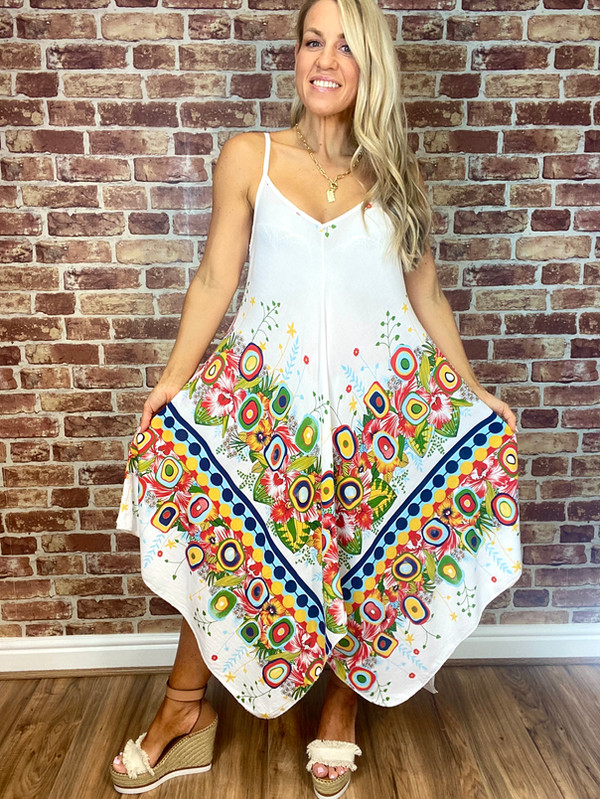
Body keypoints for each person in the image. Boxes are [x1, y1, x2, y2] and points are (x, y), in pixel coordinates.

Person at [109, 0, 522, 795]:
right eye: (312, 41)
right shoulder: (250, 156)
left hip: (378, 410)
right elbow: (215, 279)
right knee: (220, 529)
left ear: (370, 66)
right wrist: (169, 383)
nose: (325, 60)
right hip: (272, 409)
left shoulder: (397, 175)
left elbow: (428, 295)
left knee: (364, 553)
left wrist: (473, 390)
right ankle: (184, 709)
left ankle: (341, 704)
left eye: (345, 46)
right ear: (296, 55)